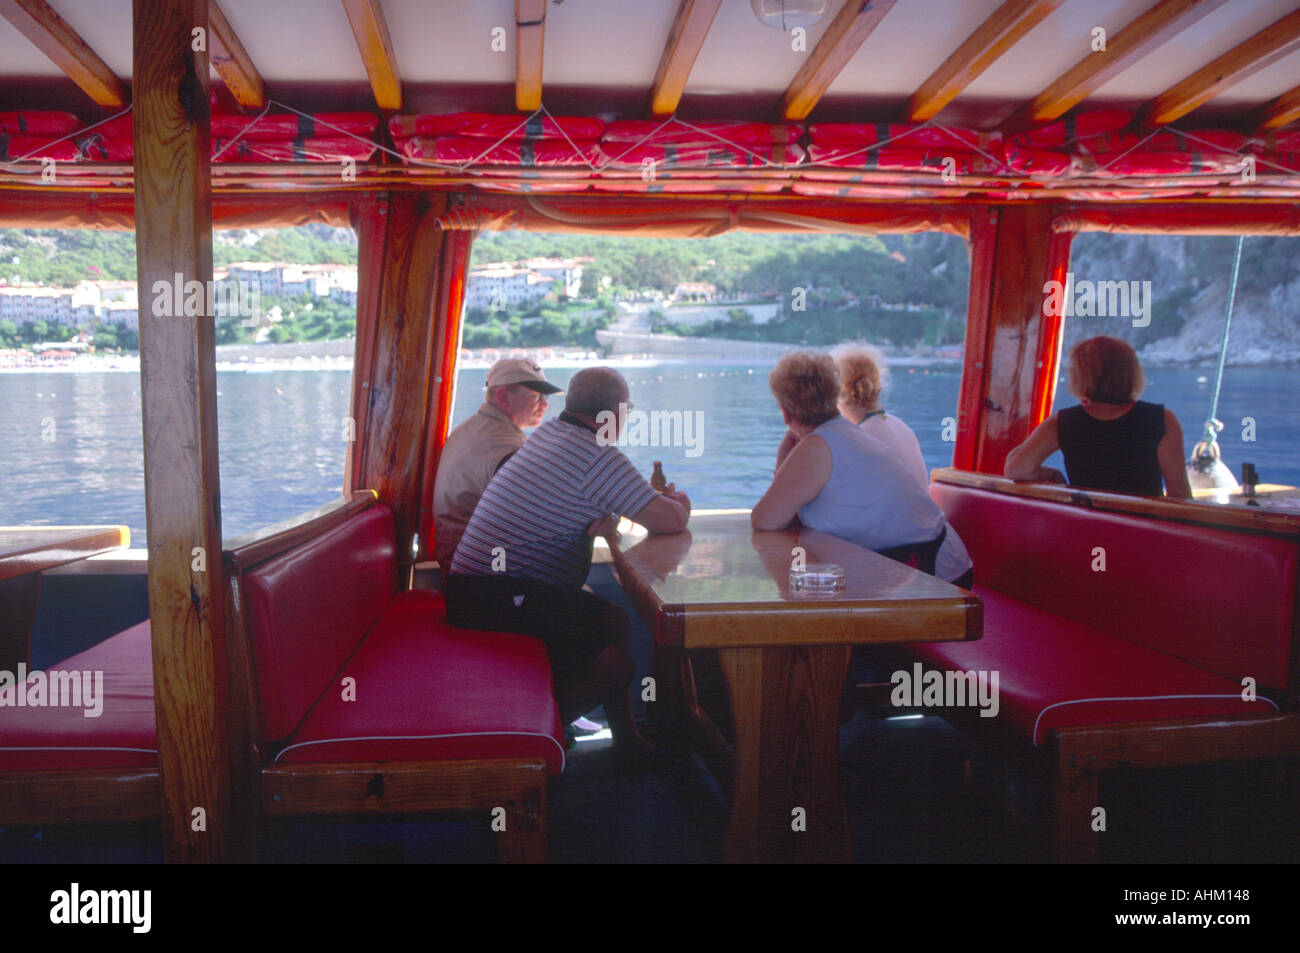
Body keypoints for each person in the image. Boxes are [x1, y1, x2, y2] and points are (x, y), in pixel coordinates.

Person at [445, 367, 690, 761]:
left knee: (614, 619)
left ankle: (625, 742)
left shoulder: (550, 435)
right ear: (613, 414)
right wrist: (681, 504)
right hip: (498, 599)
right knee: (616, 665)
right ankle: (527, 746)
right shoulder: (596, 456)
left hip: (474, 592)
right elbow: (669, 521)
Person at [753, 352, 971, 588]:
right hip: (946, 563)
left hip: (931, 576)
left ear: (785, 412)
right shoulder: (850, 434)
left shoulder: (818, 445)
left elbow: (765, 520)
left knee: (795, 592)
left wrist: (783, 458)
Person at [831, 343, 973, 587]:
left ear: (834, 395)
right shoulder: (898, 425)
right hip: (953, 560)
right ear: (879, 387)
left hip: (927, 573)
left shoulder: (859, 439)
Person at [1004, 336, 1192, 498]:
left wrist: (1051, 474)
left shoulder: (1063, 423)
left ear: (1080, 377)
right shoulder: (1162, 420)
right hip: (1145, 531)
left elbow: (1016, 469)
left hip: (1087, 528)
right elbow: (1179, 494)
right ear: (1132, 372)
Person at [432, 358, 561, 568]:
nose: (545, 404)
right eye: (537, 396)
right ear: (503, 397)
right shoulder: (506, 448)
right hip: (487, 575)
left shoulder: (468, 430)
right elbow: (540, 515)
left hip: (465, 564)